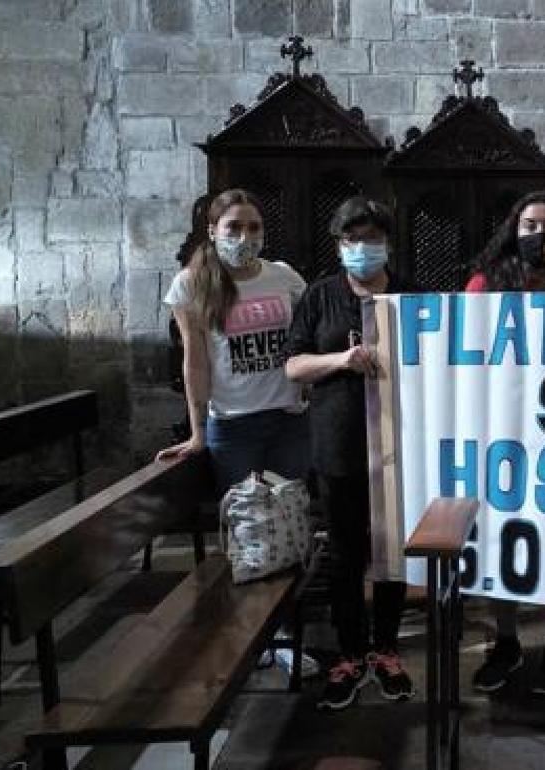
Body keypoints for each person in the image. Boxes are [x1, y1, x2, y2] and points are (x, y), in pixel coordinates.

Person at [286, 198, 416, 711]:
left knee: (391, 552)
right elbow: (293, 365)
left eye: (372, 239)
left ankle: (386, 648)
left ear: (387, 242)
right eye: (352, 240)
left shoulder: (410, 295)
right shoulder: (320, 296)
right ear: (339, 245)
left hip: (397, 443)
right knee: (345, 553)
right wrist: (342, 358)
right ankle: (349, 652)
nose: (363, 249)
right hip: (338, 444)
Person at [466, 191, 545, 695]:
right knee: (505, 537)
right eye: (528, 225)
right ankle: (505, 638)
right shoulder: (485, 286)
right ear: (512, 231)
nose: (539, 235)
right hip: (503, 432)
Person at [157, 188, 309, 492]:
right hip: (233, 424)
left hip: (288, 418)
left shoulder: (284, 276)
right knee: (246, 523)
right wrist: (197, 432)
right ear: (213, 231)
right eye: (234, 227)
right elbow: (196, 362)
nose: (244, 236)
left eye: (254, 227)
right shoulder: (190, 283)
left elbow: (306, 340)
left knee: (290, 518)